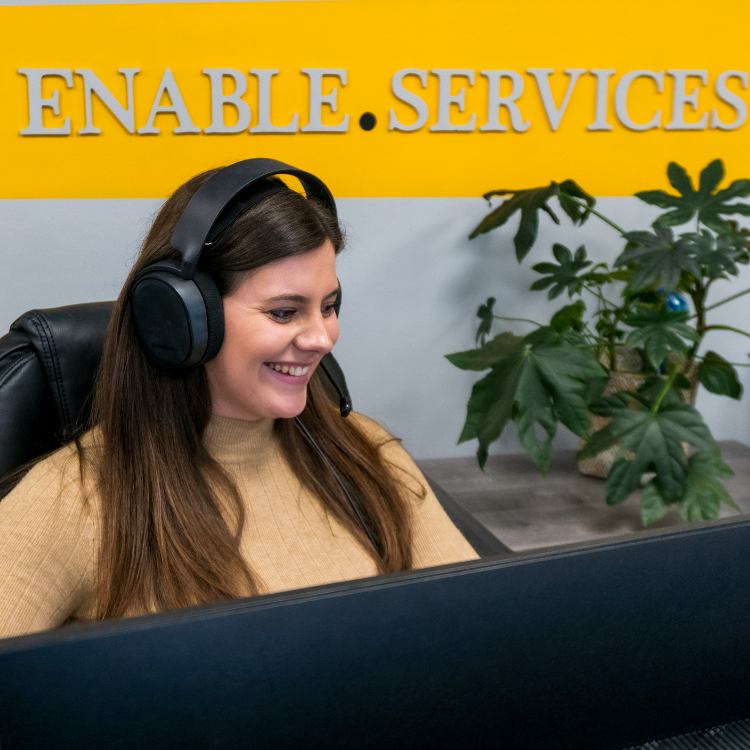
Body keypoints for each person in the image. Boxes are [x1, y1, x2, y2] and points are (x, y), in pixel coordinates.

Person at [0, 159, 478, 639]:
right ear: (183, 319)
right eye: (285, 312)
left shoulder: (366, 455)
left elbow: (483, 628)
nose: (321, 338)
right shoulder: (74, 500)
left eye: (329, 306)